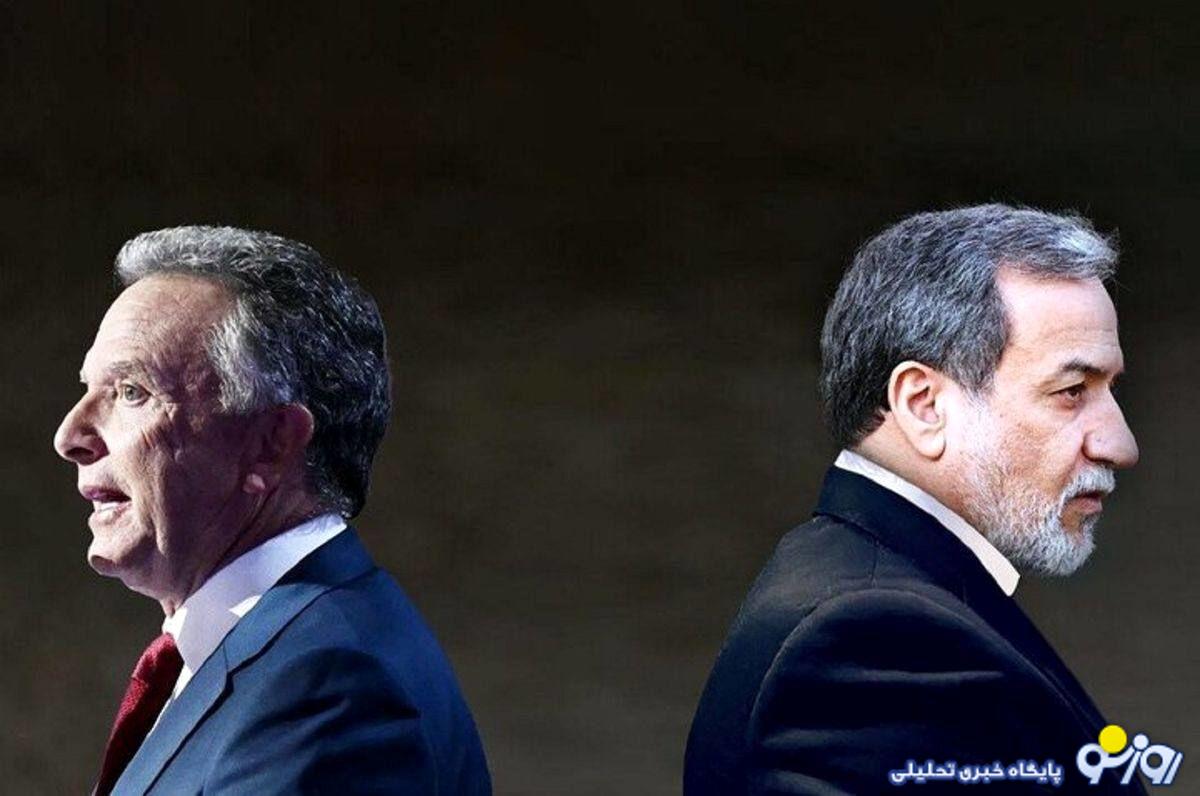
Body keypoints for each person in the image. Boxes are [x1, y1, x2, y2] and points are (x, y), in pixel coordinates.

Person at [684, 205, 1146, 794]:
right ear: (924, 406)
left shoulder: (884, 601)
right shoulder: (874, 639)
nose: (1120, 445)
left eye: (1109, 390)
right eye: (1072, 390)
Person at [54, 227, 491, 795]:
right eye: (87, 388)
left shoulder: (332, 684)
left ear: (270, 444)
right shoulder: (253, 651)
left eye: (132, 392)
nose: (70, 435)